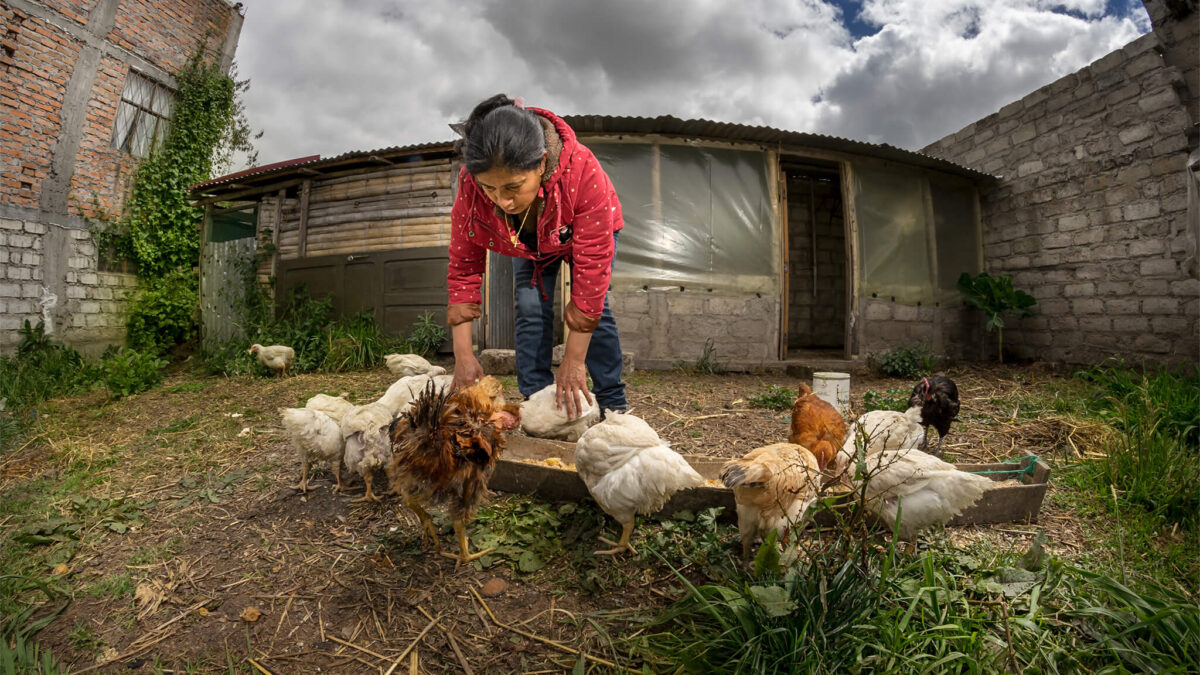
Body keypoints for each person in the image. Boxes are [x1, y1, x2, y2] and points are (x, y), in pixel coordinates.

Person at [445, 94, 627, 419]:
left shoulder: (583, 172)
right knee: (530, 308)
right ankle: (537, 402)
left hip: (579, 231)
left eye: (513, 187)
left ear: (541, 162)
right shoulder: (471, 189)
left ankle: (613, 403)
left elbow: (589, 289)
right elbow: (463, 267)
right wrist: (463, 356)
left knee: (596, 311)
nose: (503, 201)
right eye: (490, 188)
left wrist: (573, 361)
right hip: (528, 242)